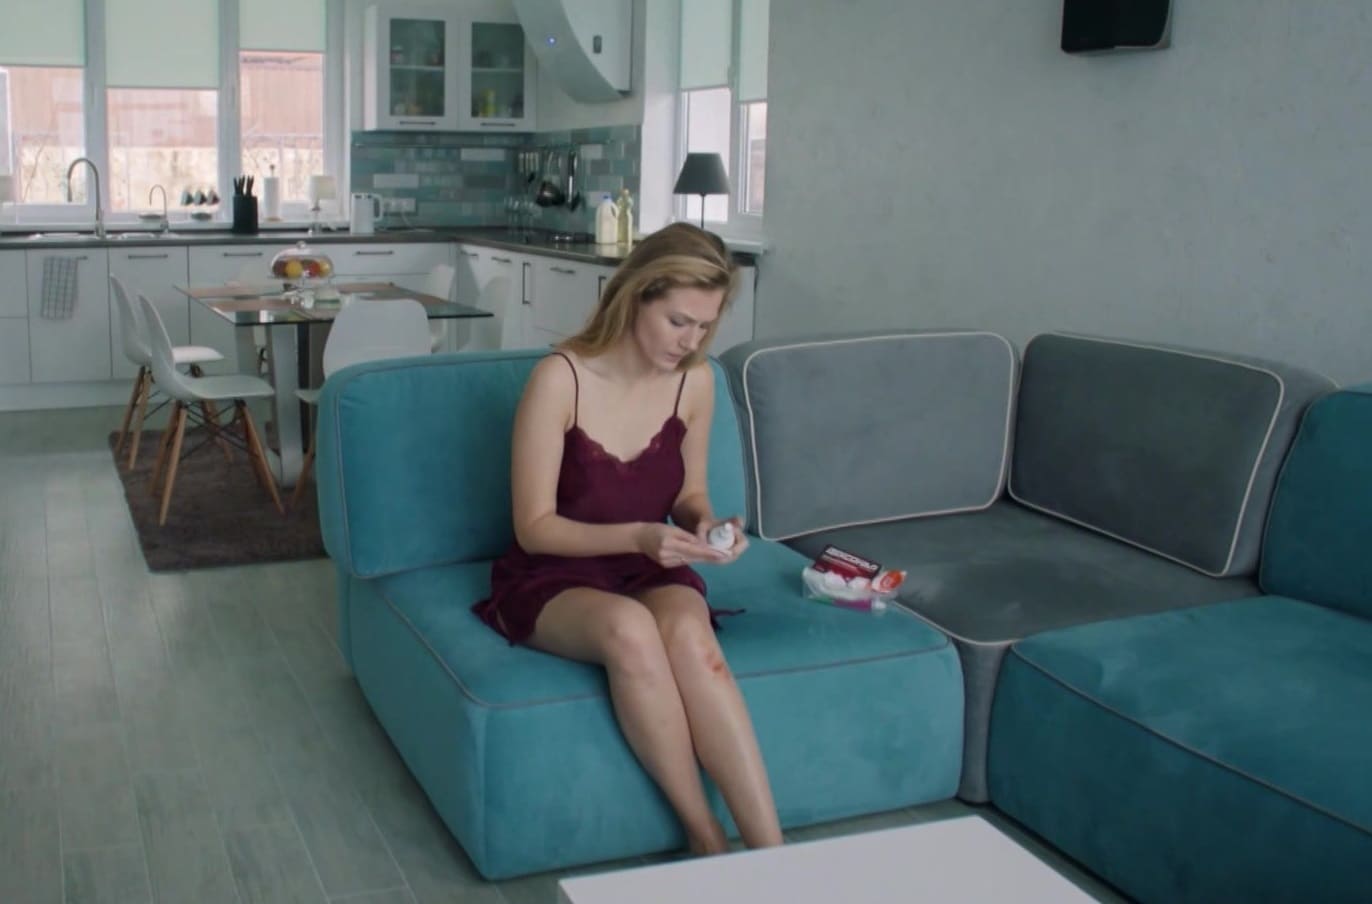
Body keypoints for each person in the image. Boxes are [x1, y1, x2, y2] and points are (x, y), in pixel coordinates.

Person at [473, 223, 783, 854]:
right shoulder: (560, 378)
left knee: (695, 643)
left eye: (705, 326)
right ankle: (707, 840)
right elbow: (533, 527)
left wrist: (708, 526)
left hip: (647, 563)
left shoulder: (696, 380)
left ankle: (772, 858)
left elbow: (690, 495)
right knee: (630, 631)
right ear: (636, 296)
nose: (691, 341)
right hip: (553, 570)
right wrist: (641, 536)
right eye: (678, 321)